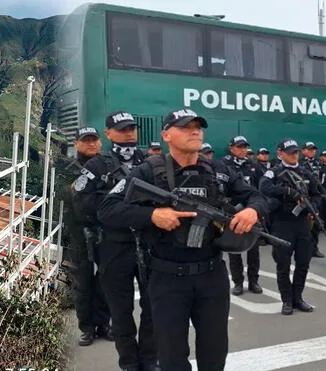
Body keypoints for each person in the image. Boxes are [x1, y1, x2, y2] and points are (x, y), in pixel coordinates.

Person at [98, 107, 267, 371]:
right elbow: (108, 209)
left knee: (214, 353)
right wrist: (152, 214)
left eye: (198, 126)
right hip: (167, 278)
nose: (195, 131)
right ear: (166, 135)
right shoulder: (147, 172)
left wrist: (252, 210)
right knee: (171, 357)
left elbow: (257, 196)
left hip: (212, 275)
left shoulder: (218, 170)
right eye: (186, 127)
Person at [73, 111, 156, 371]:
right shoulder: (96, 166)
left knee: (153, 307)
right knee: (120, 312)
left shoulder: (152, 162)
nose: (128, 133)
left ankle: (149, 360)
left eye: (132, 128)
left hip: (149, 244)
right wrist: (120, 205)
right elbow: (82, 202)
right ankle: (129, 363)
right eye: (121, 129)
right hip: (113, 245)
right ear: (108, 133)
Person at [59, 127, 112, 346]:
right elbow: (69, 198)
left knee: (106, 280)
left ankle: (104, 324)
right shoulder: (67, 168)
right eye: (85, 140)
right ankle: (87, 328)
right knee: (83, 283)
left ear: (100, 142)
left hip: (106, 230)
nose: (91, 144)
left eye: (94, 139)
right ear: (76, 144)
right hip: (78, 233)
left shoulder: (109, 165)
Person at [259, 139, 323, 315]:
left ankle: (298, 298)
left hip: (302, 224)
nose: (294, 155)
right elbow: (263, 187)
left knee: (303, 263)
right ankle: (287, 300)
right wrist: (288, 191)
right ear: (280, 153)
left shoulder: (305, 172)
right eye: (290, 152)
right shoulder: (275, 172)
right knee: (283, 264)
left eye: (296, 152)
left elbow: (318, 193)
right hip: (282, 223)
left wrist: (314, 208)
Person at [222, 136, 263, 295]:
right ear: (231, 148)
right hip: (233, 212)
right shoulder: (225, 165)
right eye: (239, 147)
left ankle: (254, 281)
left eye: (245, 147)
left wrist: (257, 208)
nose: (243, 150)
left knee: (254, 249)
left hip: (251, 212)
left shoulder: (253, 165)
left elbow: (260, 188)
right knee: (234, 249)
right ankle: (238, 282)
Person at [301, 141, 325, 258]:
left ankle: (314, 248)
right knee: (304, 225)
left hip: (316, 195)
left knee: (316, 223)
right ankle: (304, 248)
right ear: (303, 151)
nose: (312, 152)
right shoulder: (300, 164)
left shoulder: (318, 163)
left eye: (313, 149)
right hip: (304, 196)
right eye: (309, 149)